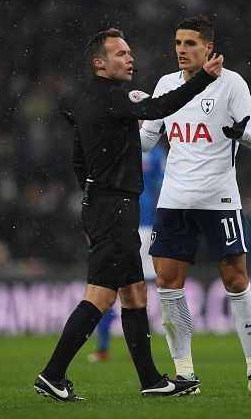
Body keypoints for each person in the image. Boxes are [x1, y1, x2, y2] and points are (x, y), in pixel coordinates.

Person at [33, 28, 223, 402]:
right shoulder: (115, 98)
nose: (130, 58)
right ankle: (52, 375)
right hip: (115, 208)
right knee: (101, 295)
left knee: (135, 294)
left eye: (130, 52)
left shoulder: (87, 101)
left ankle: (151, 380)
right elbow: (156, 109)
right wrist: (202, 79)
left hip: (107, 206)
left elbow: (77, 159)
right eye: (120, 53)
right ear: (99, 63)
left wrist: (92, 199)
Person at [140, 15, 251, 394]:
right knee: (168, 285)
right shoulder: (166, 85)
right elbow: (147, 140)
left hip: (220, 199)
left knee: (236, 281)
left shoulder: (231, 83)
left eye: (190, 44)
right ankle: (184, 374)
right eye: (178, 43)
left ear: (208, 48)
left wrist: (240, 134)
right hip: (174, 201)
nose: (182, 50)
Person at [87, 144, 166, 363]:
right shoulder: (146, 151)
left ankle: (124, 349)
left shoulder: (130, 149)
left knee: (130, 291)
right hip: (128, 226)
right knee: (128, 291)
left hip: (140, 226)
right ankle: (111, 348)